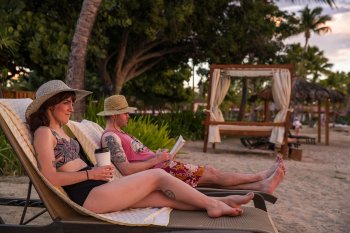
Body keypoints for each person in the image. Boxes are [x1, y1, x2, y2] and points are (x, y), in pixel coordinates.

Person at [26, 80, 254, 218]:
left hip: (96, 187)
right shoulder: (44, 133)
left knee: (161, 197)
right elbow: (49, 176)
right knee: (156, 175)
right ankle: (214, 204)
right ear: (49, 105)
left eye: (71, 102)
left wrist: (96, 171)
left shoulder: (64, 132)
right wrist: (91, 173)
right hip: (87, 196)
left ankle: (221, 203)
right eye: (66, 102)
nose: (71, 108)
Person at [99, 95, 286, 194]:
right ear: (115, 115)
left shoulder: (120, 133)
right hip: (161, 173)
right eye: (125, 113)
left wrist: (157, 153)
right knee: (212, 174)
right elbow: (126, 170)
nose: (128, 116)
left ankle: (262, 187)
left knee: (212, 178)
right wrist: (156, 159)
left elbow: (137, 155)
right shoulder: (110, 137)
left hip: (162, 166)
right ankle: (261, 176)